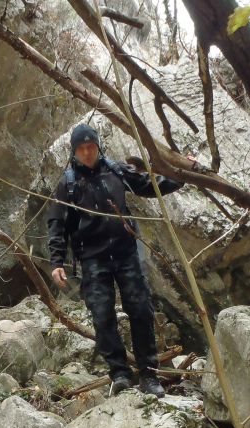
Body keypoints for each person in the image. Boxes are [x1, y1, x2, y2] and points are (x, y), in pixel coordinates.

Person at [47, 123, 185, 399]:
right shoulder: (69, 183)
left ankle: (149, 374)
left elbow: (149, 185)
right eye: (81, 148)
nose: (87, 153)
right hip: (92, 258)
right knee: (102, 315)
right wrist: (57, 261)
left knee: (141, 310)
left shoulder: (117, 171)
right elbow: (56, 223)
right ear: (74, 152)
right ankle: (120, 374)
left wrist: (180, 177)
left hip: (126, 253)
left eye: (91, 147)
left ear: (98, 146)